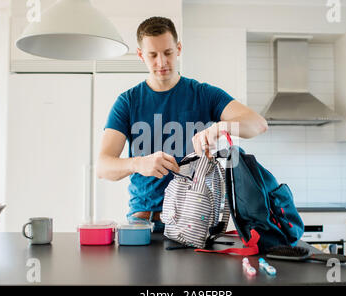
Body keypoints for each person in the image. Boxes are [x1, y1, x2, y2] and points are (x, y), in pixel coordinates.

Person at [97, 16, 268, 233]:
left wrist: (221, 127)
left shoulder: (204, 95)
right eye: (153, 55)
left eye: (168, 52)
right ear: (140, 55)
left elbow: (258, 124)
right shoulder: (128, 102)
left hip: (197, 221)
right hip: (144, 221)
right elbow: (103, 167)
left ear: (178, 49)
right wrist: (137, 164)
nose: (162, 62)